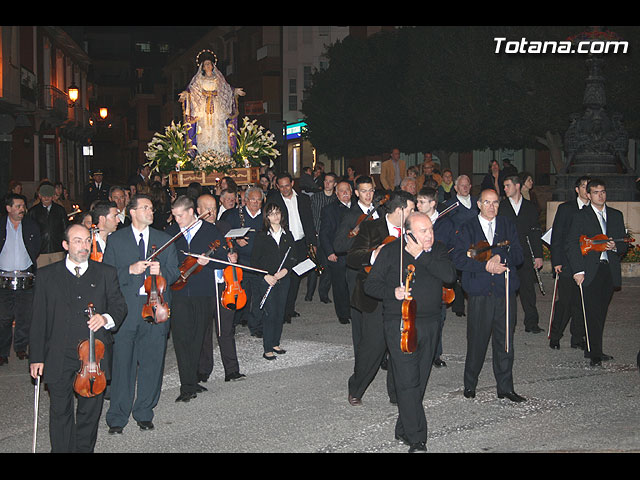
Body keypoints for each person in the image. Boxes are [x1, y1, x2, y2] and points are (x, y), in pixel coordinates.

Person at [29, 224, 127, 452]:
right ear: (65, 245)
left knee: (89, 414)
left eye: (86, 241)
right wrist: (36, 357)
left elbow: (120, 306)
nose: (84, 246)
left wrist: (106, 318)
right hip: (58, 353)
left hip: (94, 356)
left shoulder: (106, 272)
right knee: (59, 411)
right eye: (77, 241)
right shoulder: (46, 275)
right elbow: (38, 320)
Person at [365, 212, 456, 453]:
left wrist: (421, 256)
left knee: (420, 380)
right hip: (400, 322)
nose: (430, 235)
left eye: (431, 230)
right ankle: (418, 438)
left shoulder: (437, 250)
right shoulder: (390, 251)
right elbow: (370, 285)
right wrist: (391, 292)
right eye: (423, 231)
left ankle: (404, 427)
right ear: (408, 235)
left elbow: (449, 276)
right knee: (407, 380)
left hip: (430, 323)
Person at [103, 193, 180, 434]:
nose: (150, 211)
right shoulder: (117, 240)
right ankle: (117, 416)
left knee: (152, 363)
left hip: (155, 309)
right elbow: (106, 275)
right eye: (145, 207)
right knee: (122, 364)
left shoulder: (164, 239)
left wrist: (163, 272)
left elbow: (175, 274)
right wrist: (130, 269)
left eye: (151, 208)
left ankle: (144, 411)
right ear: (133, 212)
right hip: (127, 310)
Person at [452, 189, 526, 402]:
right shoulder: (467, 228)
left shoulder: (507, 225)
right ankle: (470, 384)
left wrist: (498, 258)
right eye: (487, 202)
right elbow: (458, 259)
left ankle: (505, 387)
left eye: (495, 202)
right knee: (477, 340)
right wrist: (485, 266)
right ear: (479, 204)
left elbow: (519, 255)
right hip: (479, 292)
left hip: (505, 291)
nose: (491, 207)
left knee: (505, 342)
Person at [345, 190, 415, 406]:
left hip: (402, 296)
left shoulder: (412, 231)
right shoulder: (370, 227)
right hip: (375, 297)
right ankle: (356, 387)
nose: (414, 213)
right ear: (400, 210)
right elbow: (352, 258)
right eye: (411, 209)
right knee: (372, 348)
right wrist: (376, 253)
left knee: (399, 347)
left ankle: (396, 393)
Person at [165, 195, 238, 401]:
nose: (177, 220)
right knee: (181, 339)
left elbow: (223, 260)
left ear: (191, 213)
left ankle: (193, 379)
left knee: (198, 338)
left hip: (203, 292)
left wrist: (209, 262)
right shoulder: (171, 234)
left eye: (180, 215)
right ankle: (186, 386)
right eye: (174, 216)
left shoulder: (209, 231)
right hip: (178, 292)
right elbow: (167, 262)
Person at [566, 178, 628, 367]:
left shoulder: (616, 215)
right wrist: (578, 270)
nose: (600, 195)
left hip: (608, 269)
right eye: (595, 192)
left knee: (601, 311)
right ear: (588, 195)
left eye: (602, 192)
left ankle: (595, 348)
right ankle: (594, 353)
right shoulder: (580, 216)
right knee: (591, 312)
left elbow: (623, 243)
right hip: (589, 269)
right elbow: (572, 244)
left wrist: (615, 246)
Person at [196, 193, 246, 382]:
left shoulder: (224, 227)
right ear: (198, 210)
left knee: (225, 329)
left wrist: (234, 256)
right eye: (207, 209)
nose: (212, 212)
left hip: (225, 284)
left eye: (215, 209)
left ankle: (231, 370)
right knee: (205, 330)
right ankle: (203, 369)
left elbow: (233, 248)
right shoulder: (194, 230)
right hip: (204, 285)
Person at [333, 176, 382, 351]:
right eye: (363, 191)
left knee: (379, 314)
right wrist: (361, 237)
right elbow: (338, 245)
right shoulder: (351, 215)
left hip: (378, 269)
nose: (368, 195)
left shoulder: (379, 212)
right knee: (360, 316)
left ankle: (379, 353)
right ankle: (361, 355)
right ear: (356, 193)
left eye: (370, 191)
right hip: (358, 271)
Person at [266, 173, 316, 323]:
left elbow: (309, 221)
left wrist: (312, 242)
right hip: (285, 243)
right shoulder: (274, 201)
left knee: (296, 277)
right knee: (284, 277)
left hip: (300, 243)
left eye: (287, 185)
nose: (285, 189)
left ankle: (290, 308)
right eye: (281, 186)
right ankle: (282, 311)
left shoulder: (303, 199)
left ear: (292, 183)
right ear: (277, 187)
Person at [251, 202, 298, 360]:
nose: (275, 216)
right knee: (270, 313)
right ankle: (267, 347)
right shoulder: (261, 235)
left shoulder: (288, 234)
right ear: (266, 217)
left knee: (280, 312)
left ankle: (275, 342)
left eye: (277, 212)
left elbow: (292, 257)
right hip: (268, 280)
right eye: (271, 213)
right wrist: (266, 276)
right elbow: (254, 262)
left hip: (283, 278)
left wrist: (285, 270)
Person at [416, 187, 456, 367]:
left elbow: (448, 247)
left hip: (436, 273)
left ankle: (435, 354)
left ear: (433, 203)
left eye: (421, 202)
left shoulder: (445, 223)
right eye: (417, 201)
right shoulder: (414, 220)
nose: (417, 205)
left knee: (438, 318)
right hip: (418, 273)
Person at [549, 176, 591, 350]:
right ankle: (555, 336)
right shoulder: (566, 208)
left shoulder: (595, 210)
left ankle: (578, 338)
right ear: (577, 189)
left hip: (587, 263)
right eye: (583, 186)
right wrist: (556, 261)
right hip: (567, 263)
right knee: (565, 303)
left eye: (590, 187)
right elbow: (557, 236)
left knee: (582, 304)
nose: (587, 189)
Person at [499, 175, 544, 333]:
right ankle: (505, 324)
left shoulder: (530, 207)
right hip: (507, 255)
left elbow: (535, 232)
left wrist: (538, 255)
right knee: (506, 291)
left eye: (507, 185)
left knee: (528, 291)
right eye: (504, 186)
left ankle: (532, 323)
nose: (504, 189)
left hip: (525, 254)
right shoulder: (501, 206)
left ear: (517, 186)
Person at [179, 49, 245, 158]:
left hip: (217, 108)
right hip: (203, 107)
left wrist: (234, 91)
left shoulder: (218, 79)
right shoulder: (199, 79)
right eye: (206, 64)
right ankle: (204, 157)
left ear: (213, 65)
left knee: (218, 128)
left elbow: (226, 89)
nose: (208, 66)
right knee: (204, 130)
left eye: (209, 63)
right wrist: (186, 94)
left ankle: (221, 156)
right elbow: (192, 90)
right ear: (203, 67)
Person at [0, 193, 40, 365]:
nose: (21, 209)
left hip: (25, 276)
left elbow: (37, 245)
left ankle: (21, 347)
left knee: (25, 316)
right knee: (4, 317)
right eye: (17, 206)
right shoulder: (1, 225)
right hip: (3, 277)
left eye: (23, 206)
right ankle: (2, 351)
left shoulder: (31, 225)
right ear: (8, 208)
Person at [220, 187, 265, 337]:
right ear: (245, 200)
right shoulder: (234, 215)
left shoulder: (265, 216)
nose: (256, 203)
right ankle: (231, 324)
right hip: (241, 263)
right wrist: (236, 239)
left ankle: (256, 326)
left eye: (259, 200)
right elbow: (222, 235)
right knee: (237, 295)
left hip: (259, 262)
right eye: (252, 199)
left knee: (258, 296)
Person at [441, 175, 479, 318]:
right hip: (457, 245)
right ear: (455, 188)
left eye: (467, 185)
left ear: (470, 186)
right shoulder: (450, 204)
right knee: (457, 275)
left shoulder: (478, 202)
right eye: (461, 185)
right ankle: (458, 306)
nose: (464, 187)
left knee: (473, 274)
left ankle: (474, 304)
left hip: (475, 244)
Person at [319, 180, 354, 324]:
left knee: (353, 285)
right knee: (339, 285)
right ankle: (343, 314)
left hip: (355, 253)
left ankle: (354, 311)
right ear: (336, 193)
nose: (345, 193)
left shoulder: (359, 208)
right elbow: (324, 234)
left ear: (352, 192)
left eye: (347, 190)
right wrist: (329, 252)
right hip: (337, 254)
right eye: (341, 190)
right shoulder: (329, 209)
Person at [307, 172, 337, 302]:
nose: (327, 183)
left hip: (329, 238)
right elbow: (310, 218)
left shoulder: (336, 199)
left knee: (328, 267)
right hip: (315, 235)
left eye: (330, 181)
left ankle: (323, 294)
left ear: (335, 184)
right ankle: (309, 293)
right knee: (312, 266)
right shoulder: (315, 198)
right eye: (325, 181)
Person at [28, 182, 68, 268]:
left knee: (58, 275)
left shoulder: (60, 210)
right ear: (39, 196)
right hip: (40, 251)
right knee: (42, 276)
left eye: (49, 196)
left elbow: (65, 229)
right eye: (44, 196)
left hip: (57, 249)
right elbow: (29, 232)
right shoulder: (33, 212)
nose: (46, 198)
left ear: (53, 196)